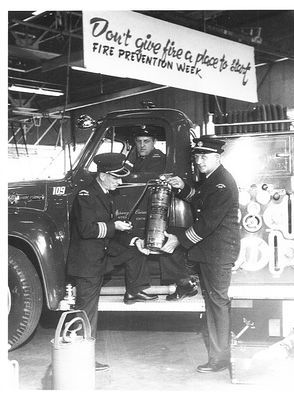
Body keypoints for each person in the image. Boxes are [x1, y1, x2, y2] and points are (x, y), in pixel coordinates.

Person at [66, 153, 157, 371]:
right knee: (86, 311)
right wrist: (114, 225)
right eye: (116, 178)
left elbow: (111, 231)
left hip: (102, 254)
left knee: (135, 250)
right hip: (88, 262)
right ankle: (82, 359)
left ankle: (134, 291)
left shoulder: (105, 193)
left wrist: (134, 240)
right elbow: (87, 230)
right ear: (103, 175)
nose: (120, 182)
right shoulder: (86, 195)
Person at [161, 136, 240, 374]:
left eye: (204, 156)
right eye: (197, 156)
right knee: (212, 301)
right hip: (210, 250)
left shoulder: (222, 184)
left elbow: (206, 223)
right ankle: (183, 283)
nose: (199, 161)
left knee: (217, 302)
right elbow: (198, 200)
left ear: (217, 157)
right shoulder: (211, 179)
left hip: (218, 251)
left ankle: (220, 358)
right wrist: (182, 187)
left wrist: (180, 241)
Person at [127, 126, 198, 300]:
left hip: (157, 208)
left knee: (163, 238)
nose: (142, 145)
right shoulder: (138, 158)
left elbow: (134, 176)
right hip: (147, 209)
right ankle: (144, 286)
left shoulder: (158, 158)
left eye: (146, 141)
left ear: (154, 143)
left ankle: (181, 282)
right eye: (139, 141)